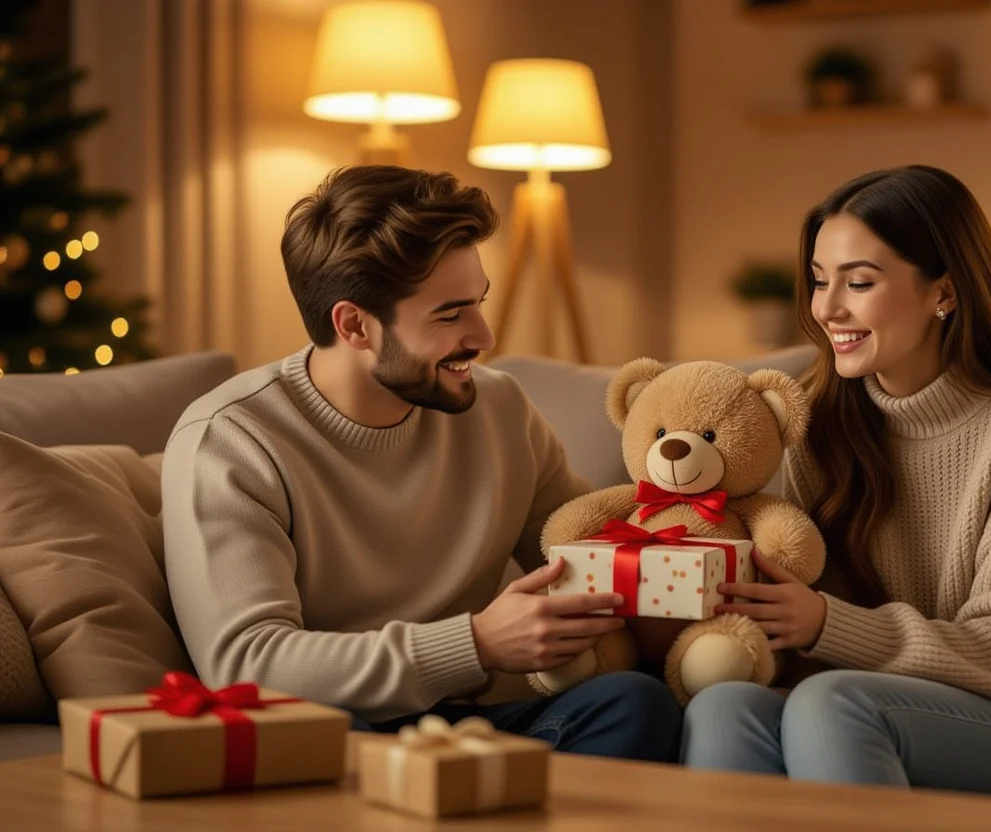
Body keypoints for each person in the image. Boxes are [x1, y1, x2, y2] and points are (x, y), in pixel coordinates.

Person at [680, 165, 991, 795]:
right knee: (723, 708)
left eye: (858, 282)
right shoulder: (820, 421)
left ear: (943, 292)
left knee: (832, 705)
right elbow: (812, 609)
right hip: (895, 697)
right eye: (818, 281)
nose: (828, 308)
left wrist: (827, 624)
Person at [162, 165, 681, 762]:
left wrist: (700, 559)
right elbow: (247, 666)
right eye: (450, 314)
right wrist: (476, 644)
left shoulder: (501, 408)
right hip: (333, 729)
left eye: (479, 303)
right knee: (326, 736)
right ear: (355, 325)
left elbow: (586, 550)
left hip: (460, 728)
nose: (484, 335)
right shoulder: (232, 440)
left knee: (633, 703)